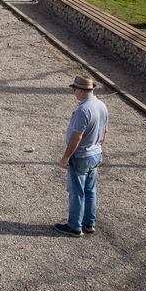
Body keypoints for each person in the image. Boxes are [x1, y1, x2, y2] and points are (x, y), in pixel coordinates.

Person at [55, 75, 109, 237]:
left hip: (81, 156)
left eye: (75, 89)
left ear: (82, 90)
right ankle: (88, 222)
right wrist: (98, 147)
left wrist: (66, 157)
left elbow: (77, 136)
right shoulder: (101, 105)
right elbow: (105, 131)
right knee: (90, 190)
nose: (74, 93)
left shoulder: (83, 110)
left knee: (77, 192)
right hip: (96, 153)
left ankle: (74, 227)